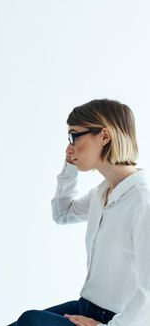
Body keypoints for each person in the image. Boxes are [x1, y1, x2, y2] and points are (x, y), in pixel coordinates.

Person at [11, 99, 150, 326]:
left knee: (30, 321)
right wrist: (70, 166)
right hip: (85, 306)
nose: (70, 146)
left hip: (116, 320)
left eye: (74, 136)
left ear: (104, 136)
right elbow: (63, 213)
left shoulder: (143, 201)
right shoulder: (103, 192)